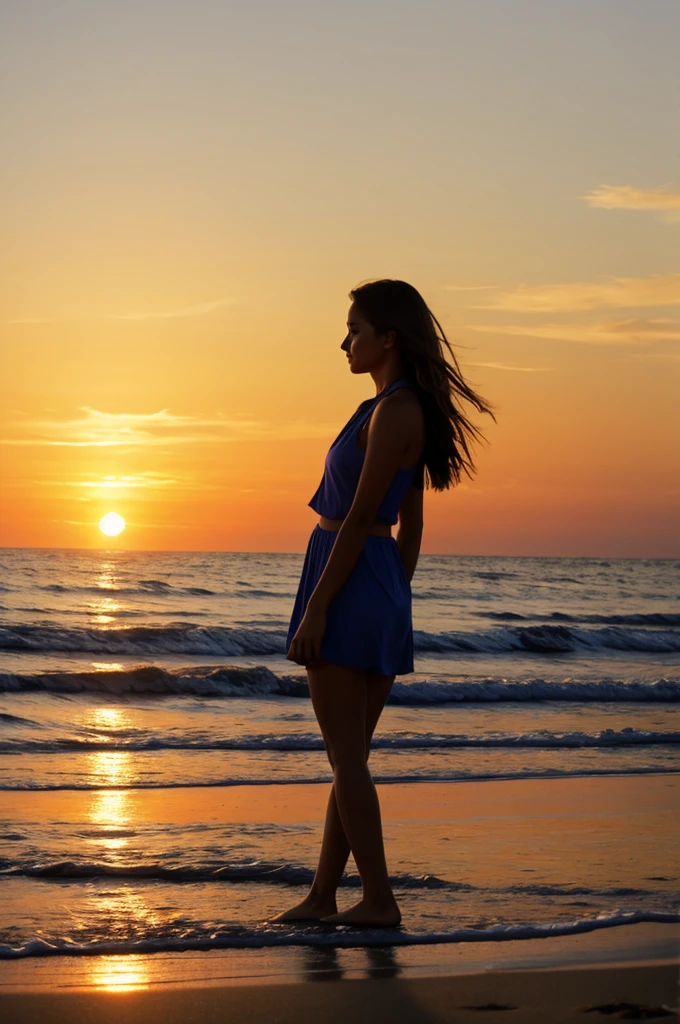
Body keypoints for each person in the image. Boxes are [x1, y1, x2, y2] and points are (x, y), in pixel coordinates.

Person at [270, 279, 496, 928]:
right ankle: (322, 895)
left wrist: (319, 608)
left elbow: (366, 513)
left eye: (355, 330)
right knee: (352, 762)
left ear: (388, 338)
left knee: (346, 761)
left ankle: (378, 900)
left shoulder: (395, 412)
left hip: (348, 580)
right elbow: (412, 527)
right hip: (374, 583)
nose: (345, 342)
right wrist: (393, 595)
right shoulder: (389, 409)